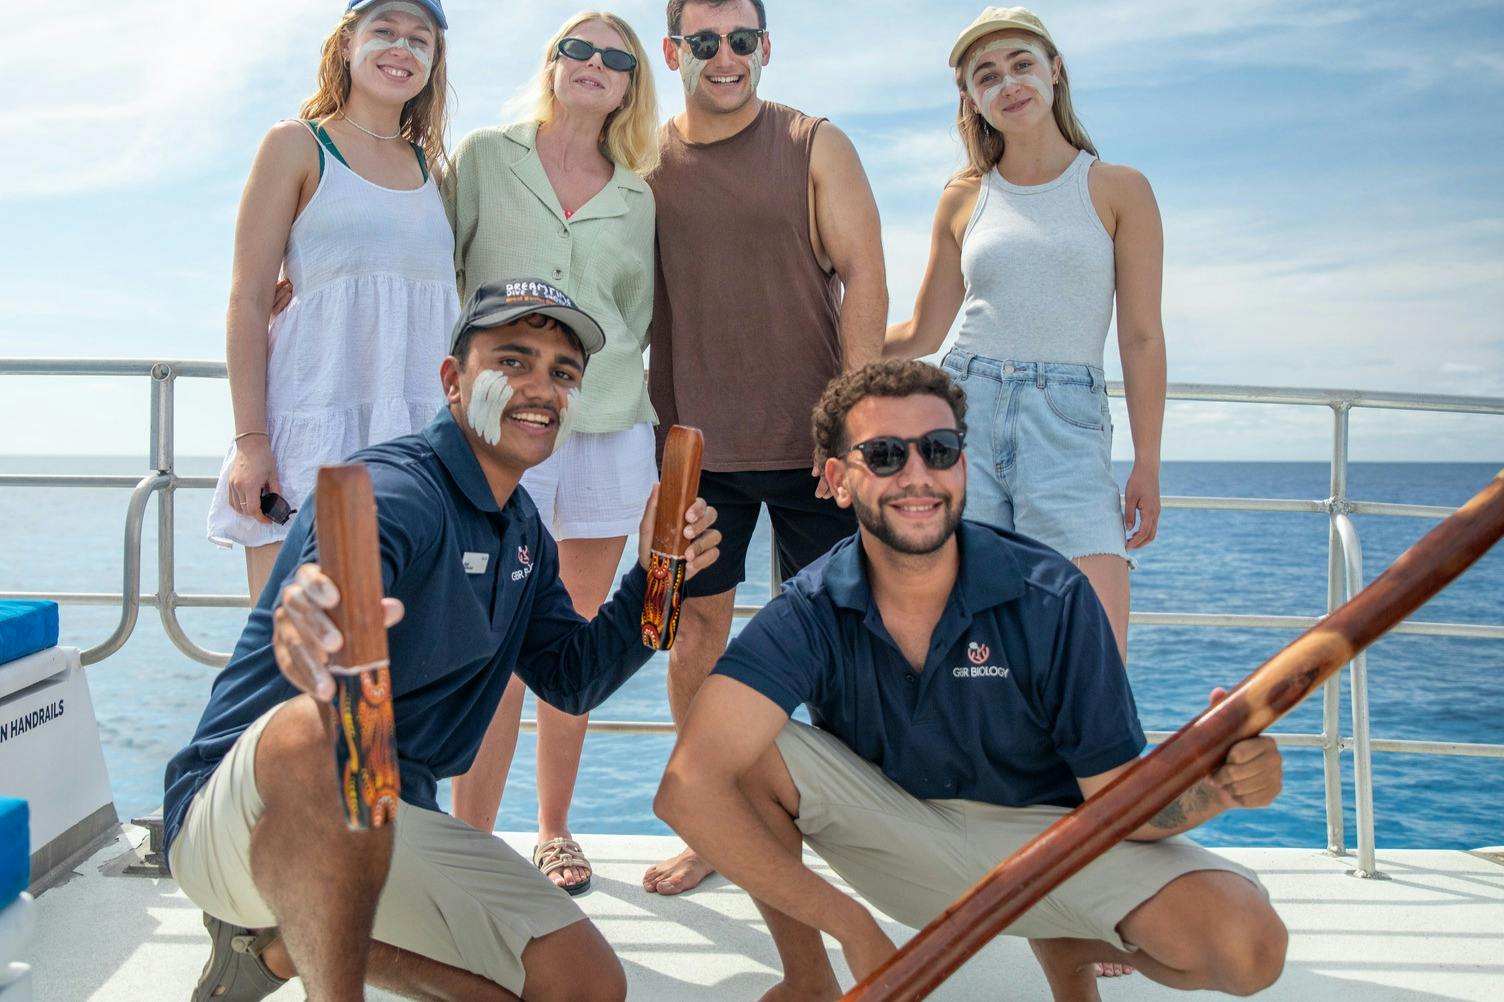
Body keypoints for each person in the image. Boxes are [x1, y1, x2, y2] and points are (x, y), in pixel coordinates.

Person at [655, 360, 1287, 1002]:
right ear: (840, 481)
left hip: (1050, 847)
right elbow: (685, 790)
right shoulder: (812, 606)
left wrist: (1218, 791)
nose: (918, 475)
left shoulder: (1052, 596)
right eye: (884, 455)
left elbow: (1118, 800)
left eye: (939, 449)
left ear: (962, 464)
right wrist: (854, 929)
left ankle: (1071, 952)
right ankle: (808, 981)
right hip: (894, 838)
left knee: (1248, 947)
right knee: (731, 752)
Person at [164, 280, 721, 1002]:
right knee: (315, 732)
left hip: (390, 816)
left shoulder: (524, 533)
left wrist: (656, 577)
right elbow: (328, 584)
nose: (540, 388)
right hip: (240, 819)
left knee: (584, 986)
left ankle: (270, 952)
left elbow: (573, 678)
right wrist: (312, 616)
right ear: (453, 381)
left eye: (562, 372)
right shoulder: (393, 492)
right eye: (513, 362)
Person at [642, 0, 888, 897]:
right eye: (704, 42)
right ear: (674, 52)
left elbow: (866, 272)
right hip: (691, 448)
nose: (724, 57)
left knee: (838, 636)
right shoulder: (645, 157)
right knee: (693, 633)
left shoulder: (815, 142)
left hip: (814, 445)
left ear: (765, 48)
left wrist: (857, 428)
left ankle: (859, 830)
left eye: (741, 40)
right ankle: (713, 823)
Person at [441, 10, 660, 899]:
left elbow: (637, 316)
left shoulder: (641, 193)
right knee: (489, 634)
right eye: (578, 49)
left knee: (571, 631)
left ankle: (556, 830)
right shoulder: (490, 156)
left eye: (616, 58)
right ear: (552, 63)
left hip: (606, 422)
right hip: (497, 424)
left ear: (631, 85)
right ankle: (466, 840)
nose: (594, 65)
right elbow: (439, 260)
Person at [885, 6, 1166, 662]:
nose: (1008, 83)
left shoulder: (1118, 188)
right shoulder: (964, 195)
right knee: (973, 648)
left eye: (1021, 65)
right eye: (987, 76)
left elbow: (1142, 338)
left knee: (1096, 653)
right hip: (962, 415)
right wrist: (833, 344)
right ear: (972, 100)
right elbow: (925, 328)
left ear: (1054, 71)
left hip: (1067, 423)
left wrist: (1148, 462)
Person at [208, 0, 461, 604]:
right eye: (384, 31)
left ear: (434, 60)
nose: (402, 48)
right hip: (311, 422)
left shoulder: (435, 171)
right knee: (291, 651)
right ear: (347, 44)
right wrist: (250, 441)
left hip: (414, 436)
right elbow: (246, 300)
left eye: (419, 39)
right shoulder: (296, 145)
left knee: (396, 656)